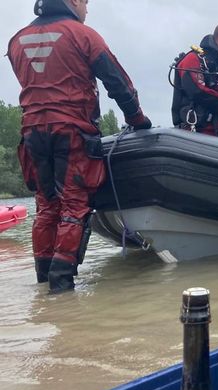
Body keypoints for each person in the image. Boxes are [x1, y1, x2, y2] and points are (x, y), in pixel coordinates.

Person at [7, 0, 152, 293]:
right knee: (74, 205)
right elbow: (117, 82)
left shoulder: (16, 40)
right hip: (71, 129)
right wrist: (137, 119)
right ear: (72, 1)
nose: (87, 8)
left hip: (32, 131)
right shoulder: (83, 34)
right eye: (86, 1)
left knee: (46, 206)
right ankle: (62, 287)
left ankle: (44, 283)